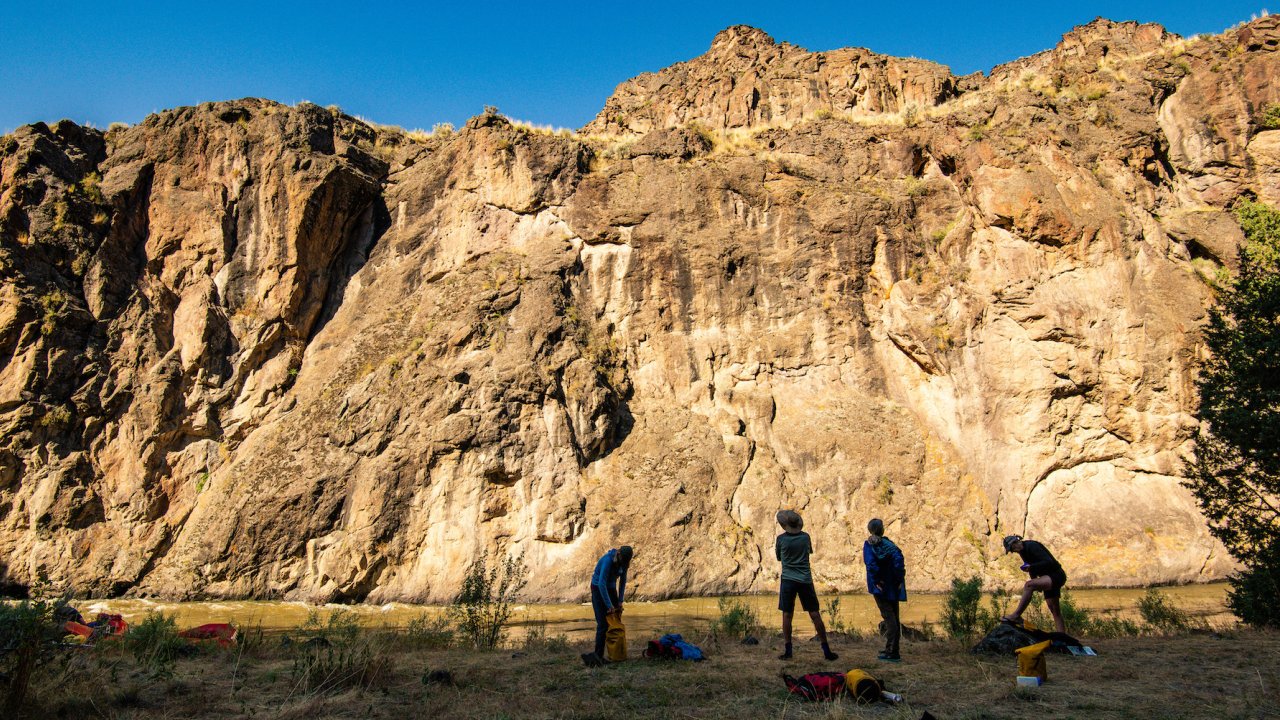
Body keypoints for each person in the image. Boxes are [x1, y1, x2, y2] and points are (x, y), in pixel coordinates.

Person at [774, 510, 838, 661]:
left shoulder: (781, 539)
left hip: (788, 580)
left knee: (787, 614)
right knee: (814, 614)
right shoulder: (805, 537)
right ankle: (826, 650)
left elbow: (778, 557)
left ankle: (788, 650)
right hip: (805, 580)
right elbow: (809, 552)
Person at [1000, 535, 1068, 633]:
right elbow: (1031, 569)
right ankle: (1063, 638)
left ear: (1015, 542)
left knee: (1029, 585)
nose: (1014, 551)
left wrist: (1032, 568)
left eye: (1012, 548)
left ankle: (1016, 615)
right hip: (1047, 577)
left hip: (1056, 575)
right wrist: (1034, 578)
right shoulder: (1022, 551)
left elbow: (1048, 562)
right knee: (1054, 610)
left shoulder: (1032, 546)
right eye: (1011, 550)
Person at [863, 518, 906, 662]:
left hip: (880, 588)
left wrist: (877, 581)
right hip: (893, 586)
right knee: (894, 616)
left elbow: (871, 564)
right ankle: (892, 649)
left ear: (870, 530)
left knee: (889, 619)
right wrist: (898, 579)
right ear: (882, 530)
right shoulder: (890, 545)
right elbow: (899, 562)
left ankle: (892, 653)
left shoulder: (869, 545)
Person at [582, 545, 632, 667]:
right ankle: (598, 656)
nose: (623, 563)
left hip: (610, 588)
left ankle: (615, 653)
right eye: (622, 560)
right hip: (598, 589)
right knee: (603, 624)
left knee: (615, 620)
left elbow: (623, 581)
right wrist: (609, 605)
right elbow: (601, 584)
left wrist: (620, 601)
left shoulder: (624, 562)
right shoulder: (607, 560)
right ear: (618, 554)